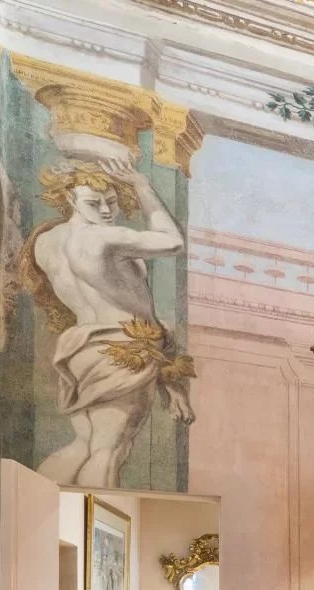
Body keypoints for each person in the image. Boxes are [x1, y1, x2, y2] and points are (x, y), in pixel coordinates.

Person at [22, 156, 195, 486]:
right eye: (94, 202)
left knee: (83, 445)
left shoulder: (45, 242)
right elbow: (173, 241)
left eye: (111, 201)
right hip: (123, 349)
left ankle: (31, 513)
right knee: (110, 449)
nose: (105, 210)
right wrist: (142, 186)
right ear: (70, 197)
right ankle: (97, 521)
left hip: (81, 346)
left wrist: (169, 379)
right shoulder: (103, 238)